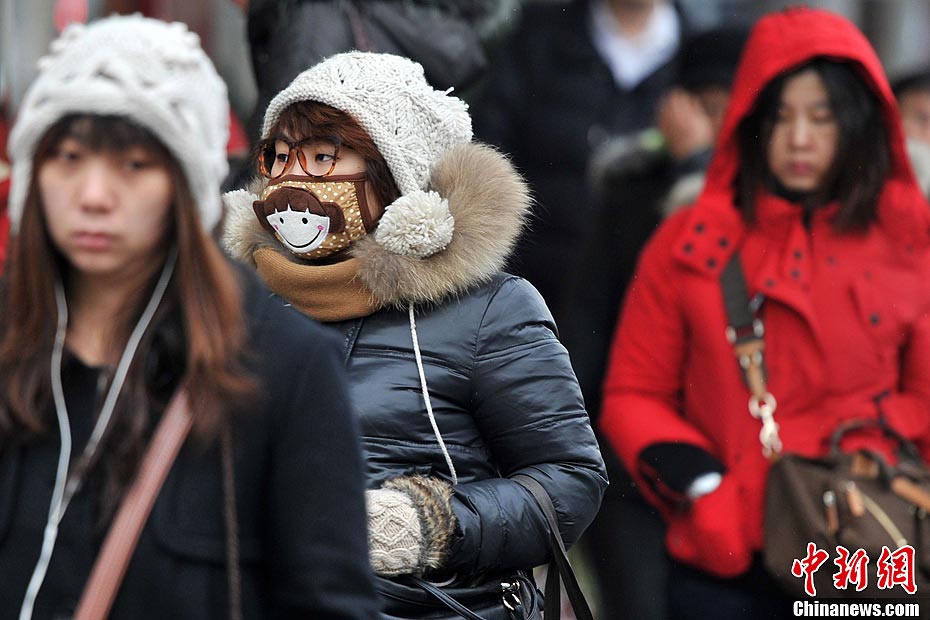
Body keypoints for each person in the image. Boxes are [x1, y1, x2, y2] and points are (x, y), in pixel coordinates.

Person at [0, 15, 378, 620]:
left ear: (187, 183)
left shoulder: (282, 368)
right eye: (68, 157)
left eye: (133, 165)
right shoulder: (14, 346)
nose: (93, 194)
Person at [222, 51, 608, 618]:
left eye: (325, 156)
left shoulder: (489, 310)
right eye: (279, 157)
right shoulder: (237, 304)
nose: (293, 179)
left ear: (393, 171)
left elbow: (571, 479)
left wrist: (434, 525)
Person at [600, 7, 930, 619]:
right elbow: (632, 393)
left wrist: (884, 448)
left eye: (823, 117)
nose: (800, 139)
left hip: (869, 553)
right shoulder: (690, 240)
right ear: (750, 118)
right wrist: (705, 491)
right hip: (727, 560)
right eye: (781, 116)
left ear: (859, 123)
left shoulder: (911, 241)